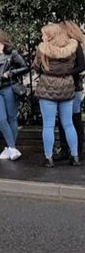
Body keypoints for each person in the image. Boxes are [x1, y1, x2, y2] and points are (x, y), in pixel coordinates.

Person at [33, 24, 80, 167]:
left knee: (48, 125)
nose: (42, 37)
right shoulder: (71, 49)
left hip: (48, 88)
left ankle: (49, 158)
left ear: (50, 36)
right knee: (68, 123)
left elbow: (36, 67)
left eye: (44, 34)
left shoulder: (43, 50)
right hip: (66, 87)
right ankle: (75, 156)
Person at [0, 30, 29, 161]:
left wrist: (9, 74)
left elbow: (25, 67)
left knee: (11, 118)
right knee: (1, 118)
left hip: (9, 88)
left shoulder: (12, 54)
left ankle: (9, 147)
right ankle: (12, 148)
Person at [55, 21, 85, 161]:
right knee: (63, 118)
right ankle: (65, 148)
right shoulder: (62, 46)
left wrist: (67, 72)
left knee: (74, 117)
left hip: (74, 86)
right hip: (64, 86)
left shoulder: (75, 45)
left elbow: (81, 66)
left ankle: (77, 149)